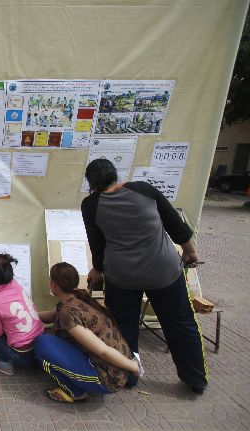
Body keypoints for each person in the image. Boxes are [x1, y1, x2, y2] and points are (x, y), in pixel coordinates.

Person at [81, 158, 208, 394]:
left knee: (124, 326)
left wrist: (97, 268)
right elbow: (175, 225)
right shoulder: (144, 190)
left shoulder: (90, 204)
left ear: (92, 182)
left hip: (122, 276)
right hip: (164, 271)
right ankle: (196, 380)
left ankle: (129, 377)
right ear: (115, 175)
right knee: (180, 323)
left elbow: (97, 244)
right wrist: (190, 251)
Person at [34, 263, 142, 404]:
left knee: (42, 344)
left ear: (54, 285)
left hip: (108, 378)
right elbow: (51, 316)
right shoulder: (77, 297)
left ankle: (75, 393)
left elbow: (103, 351)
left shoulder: (69, 312)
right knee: (51, 340)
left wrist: (133, 366)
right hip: (111, 364)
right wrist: (25, 313)